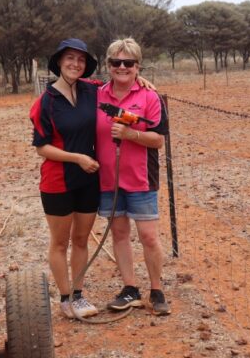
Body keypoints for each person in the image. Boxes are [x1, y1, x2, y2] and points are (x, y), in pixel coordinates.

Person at [96, 38, 171, 316]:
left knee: (149, 237)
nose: (122, 67)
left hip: (141, 179)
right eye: (116, 62)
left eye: (129, 62)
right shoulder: (98, 94)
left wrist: (130, 135)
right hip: (108, 180)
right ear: (108, 65)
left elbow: (158, 140)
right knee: (119, 233)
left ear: (138, 66)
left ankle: (156, 289)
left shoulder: (150, 97)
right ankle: (130, 288)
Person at [29, 38, 101, 318]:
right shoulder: (45, 103)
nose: (75, 64)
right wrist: (78, 158)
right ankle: (65, 298)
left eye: (81, 60)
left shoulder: (92, 91)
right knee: (60, 243)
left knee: (81, 239)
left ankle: (79, 295)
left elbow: (122, 84)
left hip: (89, 179)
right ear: (59, 62)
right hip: (58, 180)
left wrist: (141, 79)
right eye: (70, 58)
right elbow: (41, 148)